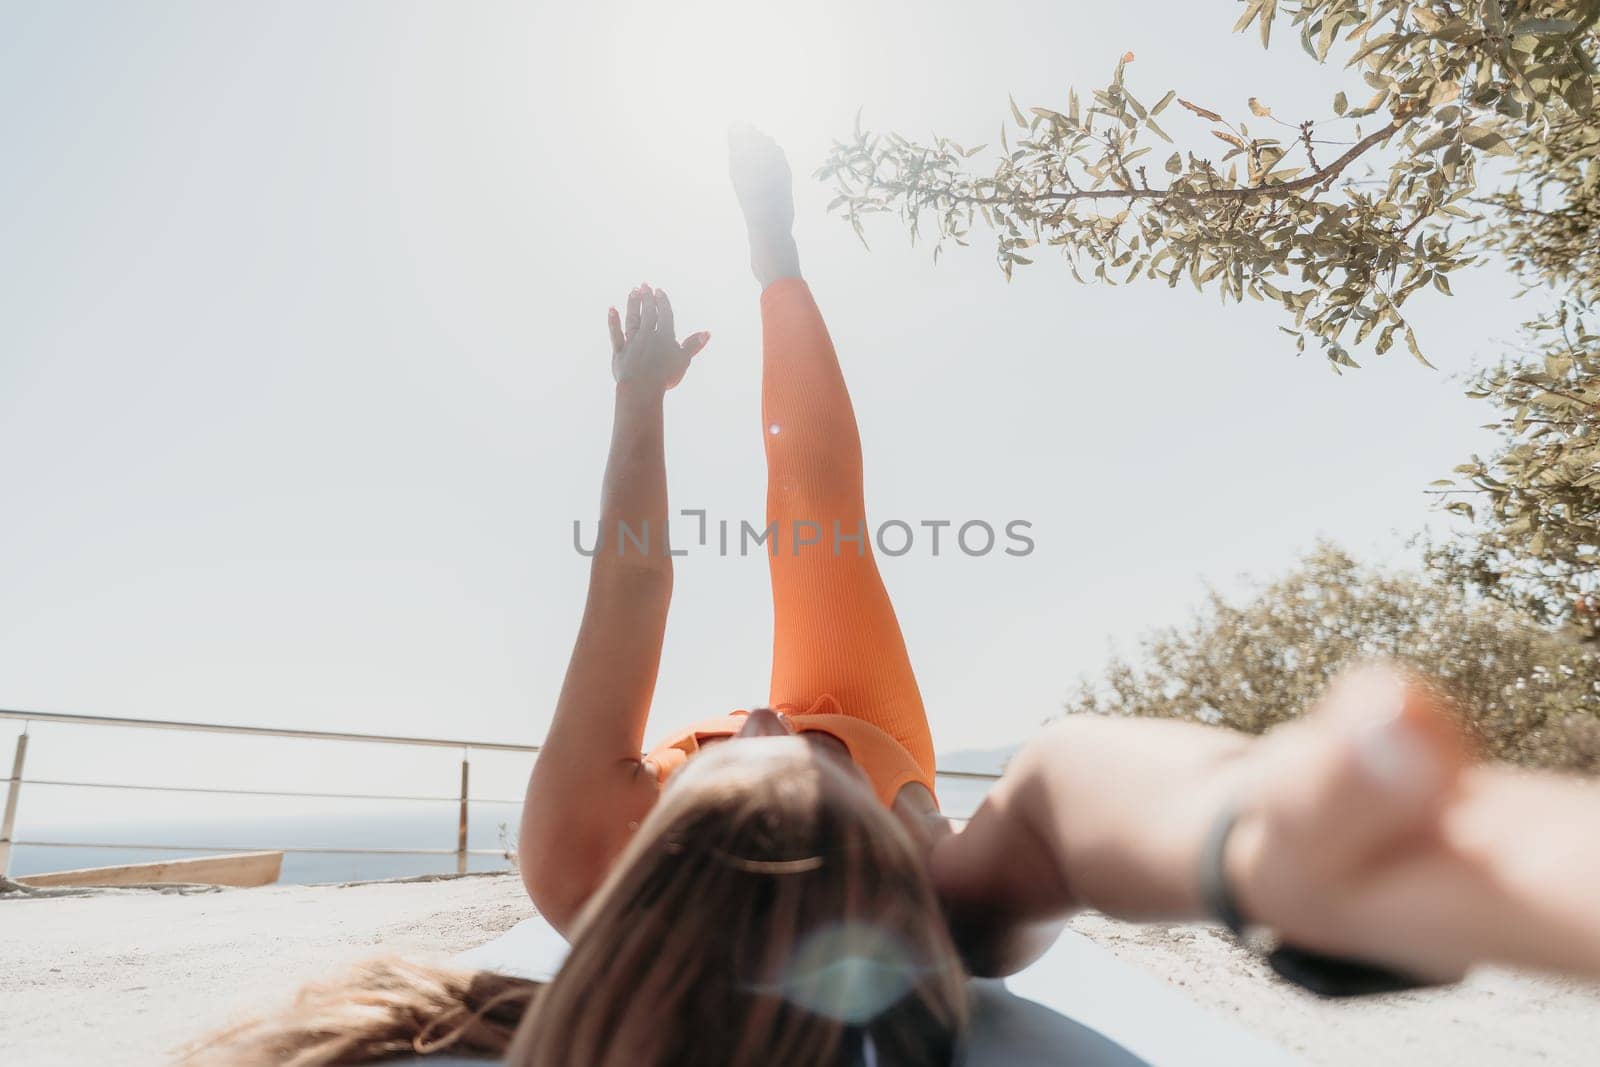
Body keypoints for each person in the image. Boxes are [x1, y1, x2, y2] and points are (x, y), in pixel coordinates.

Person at [187, 127, 1600, 1066]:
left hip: (749, 845)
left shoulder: (575, 855)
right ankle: (783, 276)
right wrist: (1243, 847)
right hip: (884, 743)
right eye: (802, 761)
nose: (755, 709)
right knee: (822, 533)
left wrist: (636, 407)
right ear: (909, 837)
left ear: (656, 833)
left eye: (735, 754)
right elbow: (1062, 797)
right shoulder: (920, 890)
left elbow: (630, 584)